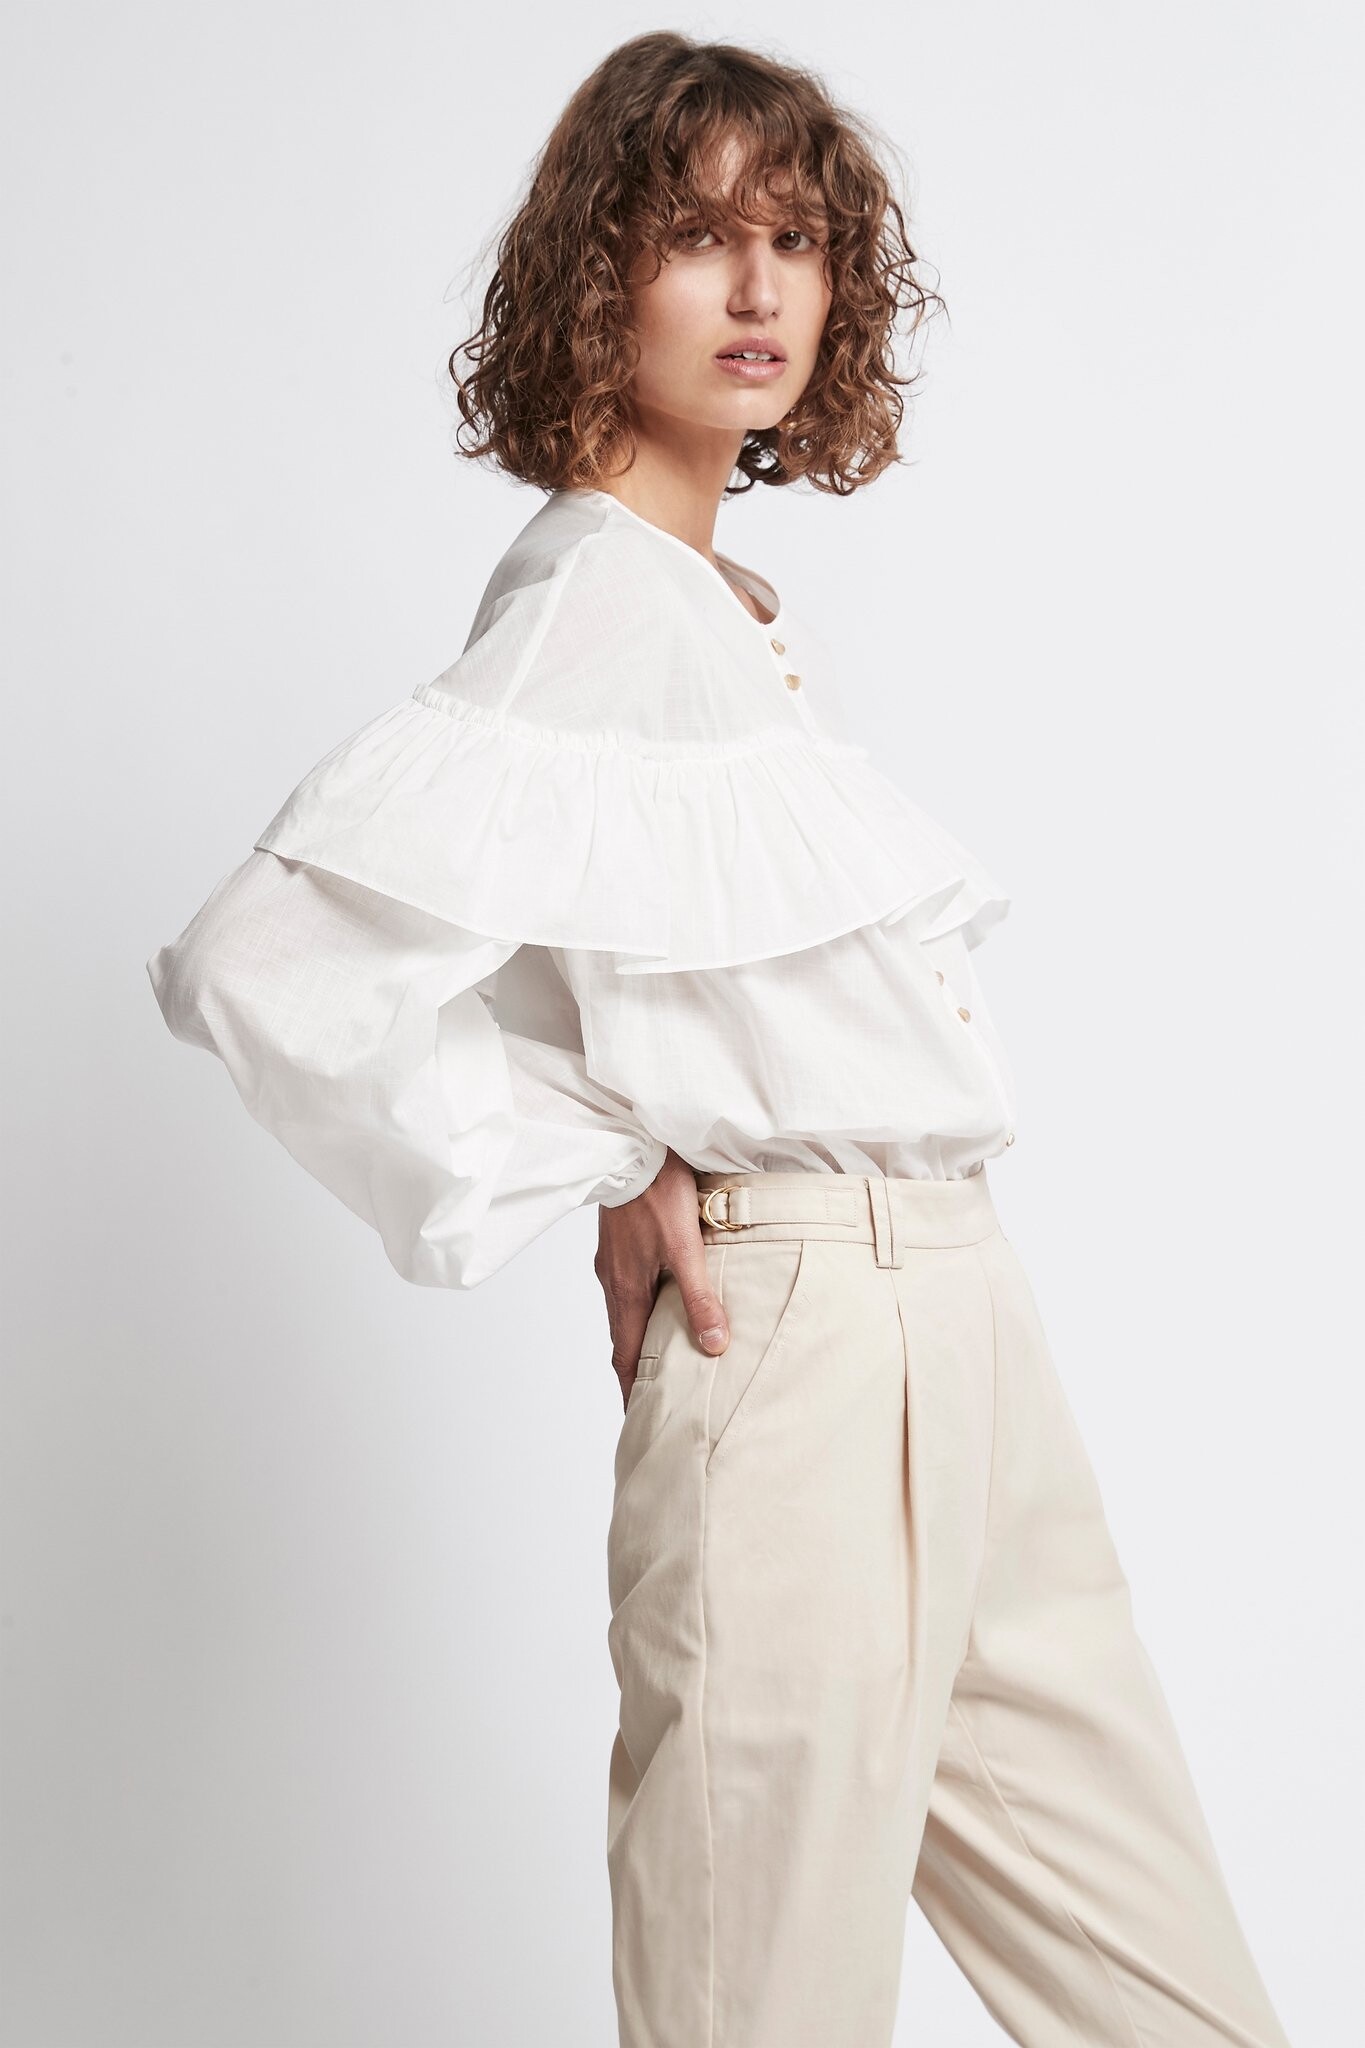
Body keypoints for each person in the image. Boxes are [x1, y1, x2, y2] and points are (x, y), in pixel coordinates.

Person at [146, 31, 1295, 2048]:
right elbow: (262, 961)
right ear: (598, 272)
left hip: (958, 1321)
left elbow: (628, 950)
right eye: (697, 236)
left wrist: (619, 1134)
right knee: (754, 2009)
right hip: (791, 1354)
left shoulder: (709, 608)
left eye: (798, 239)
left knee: (1173, 2001)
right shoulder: (593, 599)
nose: (760, 288)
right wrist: (596, 1158)